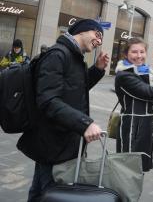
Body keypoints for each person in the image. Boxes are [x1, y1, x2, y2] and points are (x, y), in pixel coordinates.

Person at [17, 19, 110, 201]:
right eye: (97, 35)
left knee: (41, 192)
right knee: (50, 193)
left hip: (62, 141)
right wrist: (85, 124)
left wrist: (97, 70)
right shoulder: (58, 55)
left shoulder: (74, 57)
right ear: (82, 31)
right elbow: (48, 100)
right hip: (54, 142)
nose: (99, 41)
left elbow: (75, 90)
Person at [114, 37, 153, 172]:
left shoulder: (143, 72)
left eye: (142, 52)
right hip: (132, 129)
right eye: (134, 52)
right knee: (128, 170)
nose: (139, 56)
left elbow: (145, 99)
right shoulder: (125, 75)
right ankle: (124, 193)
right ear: (126, 54)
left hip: (145, 128)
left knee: (139, 171)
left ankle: (132, 193)